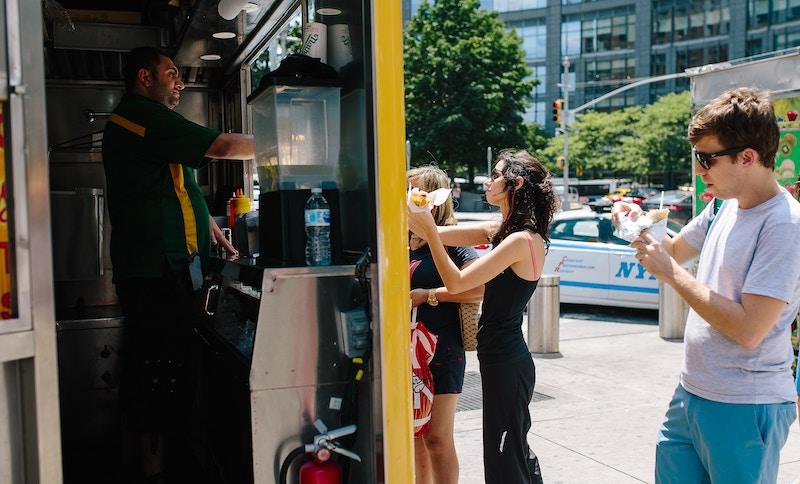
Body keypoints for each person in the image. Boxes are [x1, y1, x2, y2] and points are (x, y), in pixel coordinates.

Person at [612, 87, 800, 483]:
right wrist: (635, 224)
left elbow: (750, 329)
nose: (699, 170)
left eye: (706, 159)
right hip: (691, 392)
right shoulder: (721, 206)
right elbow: (672, 250)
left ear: (747, 157)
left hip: (745, 404)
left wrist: (671, 273)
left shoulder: (784, 224)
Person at [102, 46, 254, 481]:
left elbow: (182, 191)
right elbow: (224, 145)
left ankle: (170, 463)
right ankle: (154, 471)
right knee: (158, 372)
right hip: (154, 272)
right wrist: (289, 139)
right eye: (171, 73)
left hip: (171, 268)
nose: (180, 82)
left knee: (170, 369)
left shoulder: (154, 127)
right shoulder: (140, 116)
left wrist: (216, 233)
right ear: (144, 77)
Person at [408, 150, 557, 484]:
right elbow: (444, 233)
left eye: (494, 175)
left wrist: (430, 234)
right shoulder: (503, 229)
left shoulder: (521, 239)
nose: (487, 181)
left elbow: (459, 282)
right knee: (510, 450)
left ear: (515, 183)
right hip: (500, 357)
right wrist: (417, 219)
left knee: (505, 458)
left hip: (507, 360)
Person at [407, 166, 483, 484]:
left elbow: (479, 287)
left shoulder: (453, 241)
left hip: (442, 350)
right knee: (412, 435)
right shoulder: (393, 240)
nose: (405, 200)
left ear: (433, 201)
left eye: (413, 193)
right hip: (403, 349)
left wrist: (428, 296)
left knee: (437, 438)